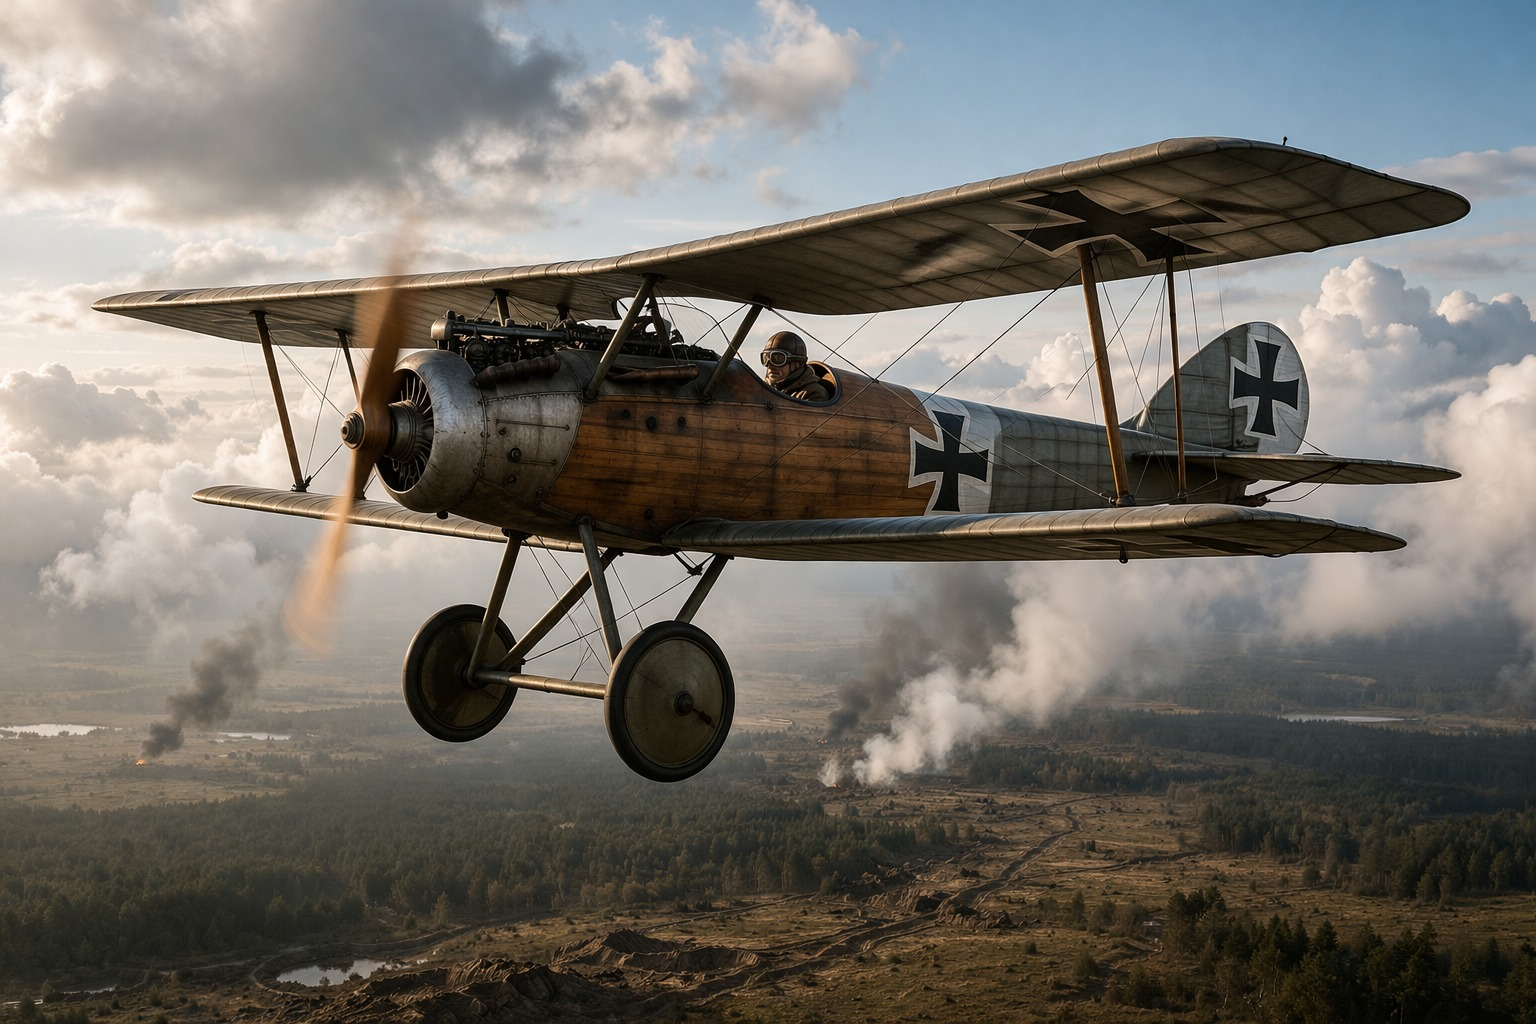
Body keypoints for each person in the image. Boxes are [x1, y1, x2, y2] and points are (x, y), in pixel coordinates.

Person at [759, 331, 831, 401]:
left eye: (778, 358)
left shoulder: (814, 393)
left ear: (797, 363)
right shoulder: (761, 390)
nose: (770, 365)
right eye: (765, 358)